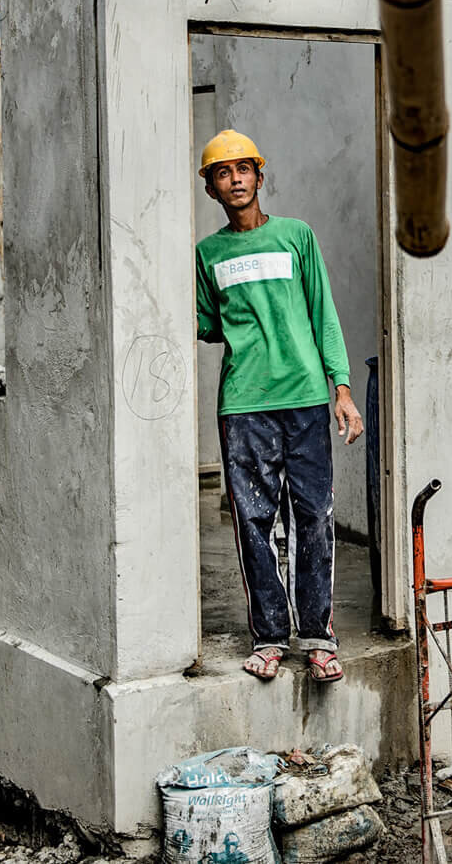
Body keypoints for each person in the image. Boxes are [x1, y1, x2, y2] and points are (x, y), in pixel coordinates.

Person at [195, 129, 364, 682]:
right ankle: (269, 636)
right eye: (223, 173)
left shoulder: (297, 238)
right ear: (212, 188)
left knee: (313, 515)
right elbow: (204, 325)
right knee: (253, 521)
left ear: (259, 177)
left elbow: (324, 314)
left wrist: (341, 387)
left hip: (308, 398)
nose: (236, 179)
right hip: (244, 405)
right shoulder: (209, 255)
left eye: (244, 169)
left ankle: (317, 637)